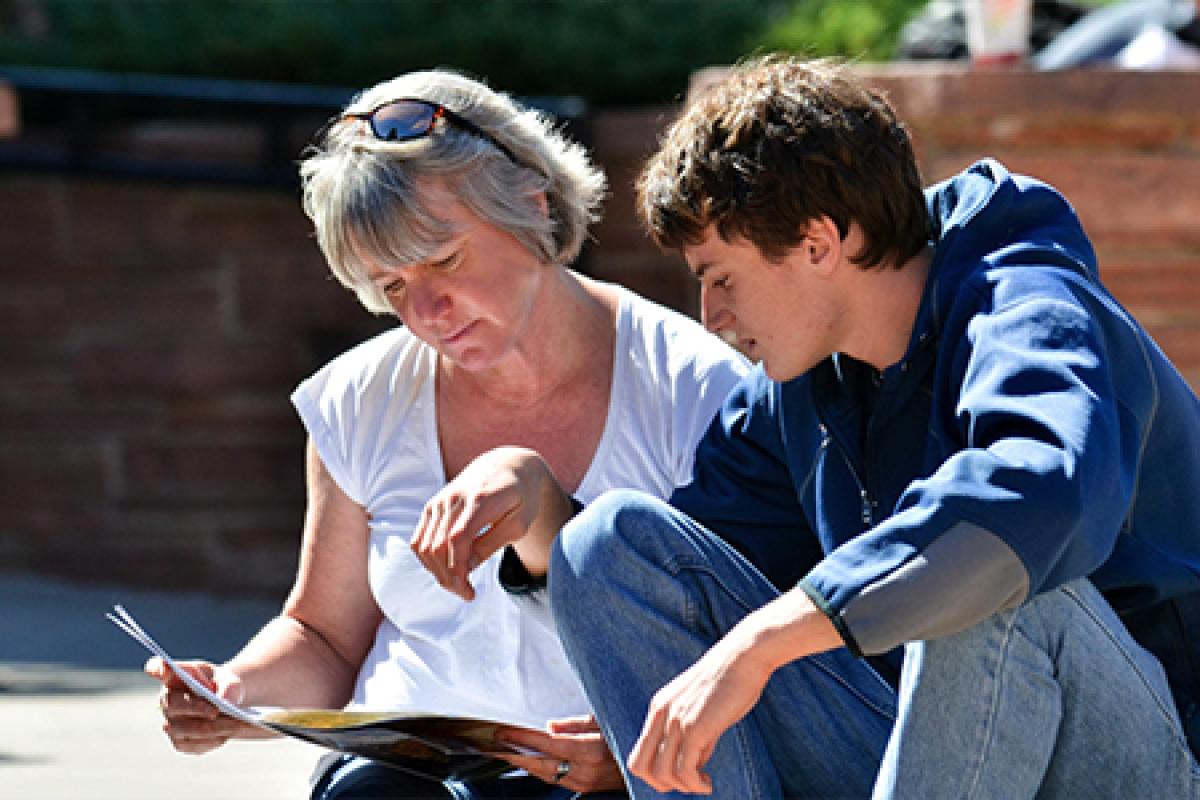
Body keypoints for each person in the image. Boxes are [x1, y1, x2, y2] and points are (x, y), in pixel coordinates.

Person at [421, 56, 1200, 797]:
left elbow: (1040, 493)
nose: (712, 316)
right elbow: (669, 590)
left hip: (1141, 760)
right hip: (916, 753)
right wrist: (540, 507)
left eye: (722, 279)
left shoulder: (1028, 305)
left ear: (819, 242)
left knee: (984, 576)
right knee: (609, 544)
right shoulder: (799, 388)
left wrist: (761, 645)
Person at [143, 68, 748, 800]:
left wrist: (631, 749)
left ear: (530, 200)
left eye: (443, 259)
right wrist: (234, 688)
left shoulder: (696, 386)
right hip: (402, 770)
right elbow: (325, 635)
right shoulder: (358, 398)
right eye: (391, 285)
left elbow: (738, 646)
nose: (425, 308)